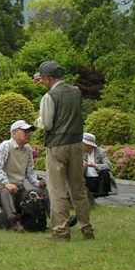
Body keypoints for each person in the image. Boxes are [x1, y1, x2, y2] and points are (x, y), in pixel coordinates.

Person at [37, 61, 94, 241]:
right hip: (76, 144)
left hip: (57, 145)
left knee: (57, 190)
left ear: (47, 79)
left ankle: (61, 231)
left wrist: (38, 121)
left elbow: (46, 124)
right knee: (78, 188)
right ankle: (86, 228)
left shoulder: (49, 96)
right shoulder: (76, 92)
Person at [0, 120, 46, 231]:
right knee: (6, 192)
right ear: (14, 133)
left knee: (40, 192)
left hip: (20, 190)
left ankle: (57, 220)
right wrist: (7, 183)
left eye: (29, 132)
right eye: (25, 131)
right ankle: (14, 222)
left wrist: (37, 183)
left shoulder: (28, 149)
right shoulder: (6, 146)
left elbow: (29, 172)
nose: (28, 134)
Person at [82, 132, 117, 198]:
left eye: (82, 144)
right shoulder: (81, 153)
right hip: (88, 180)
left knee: (105, 171)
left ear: (89, 145)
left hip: (98, 180)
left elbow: (109, 166)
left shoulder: (101, 152)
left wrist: (95, 165)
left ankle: (102, 192)